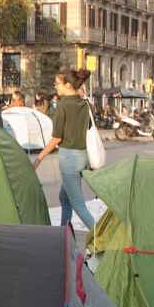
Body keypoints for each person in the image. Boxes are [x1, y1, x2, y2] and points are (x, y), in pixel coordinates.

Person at [35, 70, 96, 233]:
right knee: (64, 197)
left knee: (78, 204)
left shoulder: (63, 105)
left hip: (69, 157)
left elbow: (56, 139)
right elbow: (89, 126)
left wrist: (39, 158)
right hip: (83, 157)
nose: (55, 87)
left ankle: (103, 238)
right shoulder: (85, 103)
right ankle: (64, 235)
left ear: (68, 85)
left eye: (57, 83)